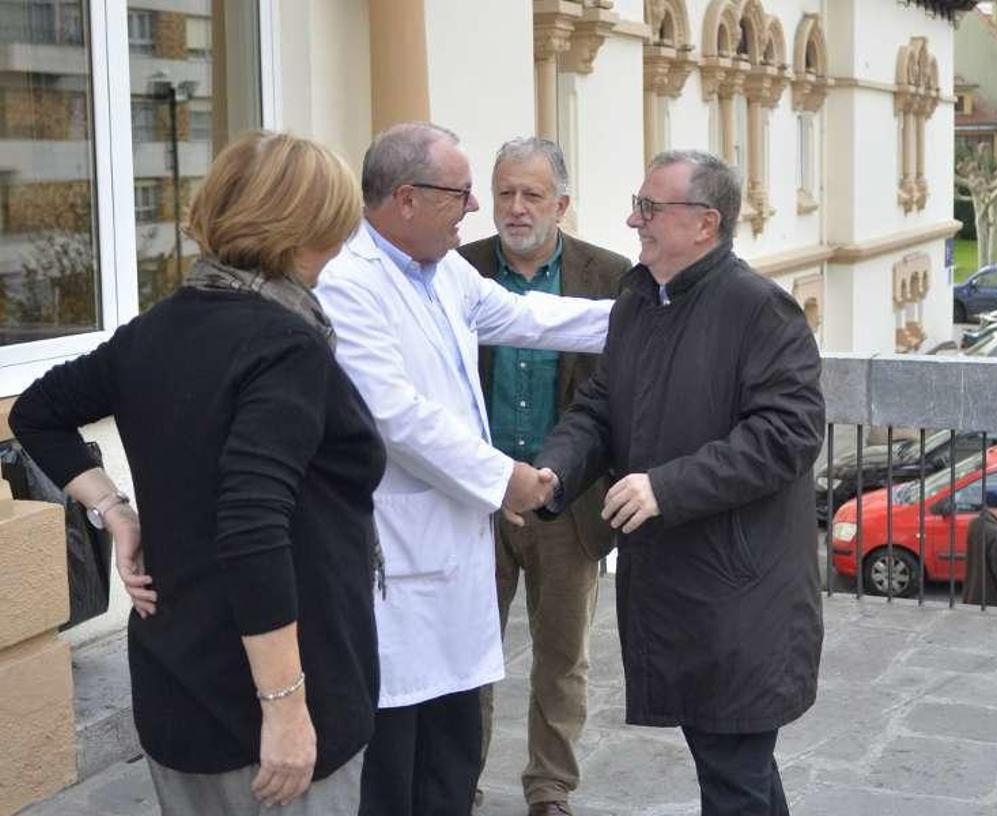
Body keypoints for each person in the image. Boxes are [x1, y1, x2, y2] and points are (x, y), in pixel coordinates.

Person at [10, 131, 383, 815]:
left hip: (177, 682)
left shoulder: (155, 330)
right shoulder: (285, 344)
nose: (341, 245)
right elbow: (250, 522)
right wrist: (286, 710)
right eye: (334, 227)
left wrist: (113, 509)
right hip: (276, 704)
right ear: (302, 228)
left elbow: (34, 413)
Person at [314, 122, 612, 816]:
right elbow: (394, 414)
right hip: (398, 553)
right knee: (397, 764)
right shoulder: (348, 283)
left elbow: (531, 319)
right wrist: (504, 477)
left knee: (447, 756)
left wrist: (645, 318)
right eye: (464, 193)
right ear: (408, 199)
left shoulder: (444, 270)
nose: (478, 208)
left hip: (453, 549)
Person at [534, 149, 825, 815]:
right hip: (685, 590)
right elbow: (600, 408)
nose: (633, 219)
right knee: (735, 767)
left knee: (733, 772)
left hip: (741, 594)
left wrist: (666, 486)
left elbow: (788, 434)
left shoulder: (760, 308)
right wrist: (555, 469)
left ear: (704, 223)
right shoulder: (639, 300)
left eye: (649, 208)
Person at [458, 137, 629, 816]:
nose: (516, 207)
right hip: (475, 501)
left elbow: (623, 393)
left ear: (562, 203)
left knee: (562, 659)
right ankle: (456, 779)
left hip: (568, 507)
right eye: (505, 192)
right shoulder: (457, 270)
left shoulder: (609, 277)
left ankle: (550, 789)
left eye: (532, 194)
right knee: (466, 657)